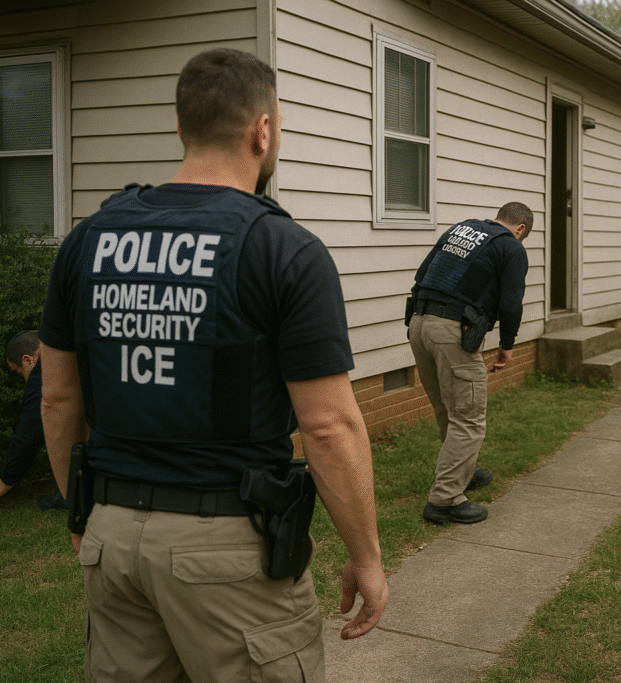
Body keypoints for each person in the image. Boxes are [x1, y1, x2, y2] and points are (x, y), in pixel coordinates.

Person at [38, 48, 388, 681]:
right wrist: (366, 555)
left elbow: (58, 398)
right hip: (228, 550)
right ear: (263, 130)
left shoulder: (87, 240)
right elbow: (330, 425)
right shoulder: (284, 250)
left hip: (112, 540)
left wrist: (82, 513)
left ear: (181, 128)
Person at [408, 202, 531, 524]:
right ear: (520, 229)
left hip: (419, 324)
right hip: (450, 332)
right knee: (468, 416)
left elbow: (422, 274)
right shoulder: (511, 247)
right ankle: (445, 499)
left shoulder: (460, 228)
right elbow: (510, 303)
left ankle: (465, 470)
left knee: (447, 408)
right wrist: (507, 345)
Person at [0, 331, 64, 510]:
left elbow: (29, 434)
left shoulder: (42, 376)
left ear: (28, 360)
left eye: (18, 372)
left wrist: (4, 481)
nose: (24, 381)